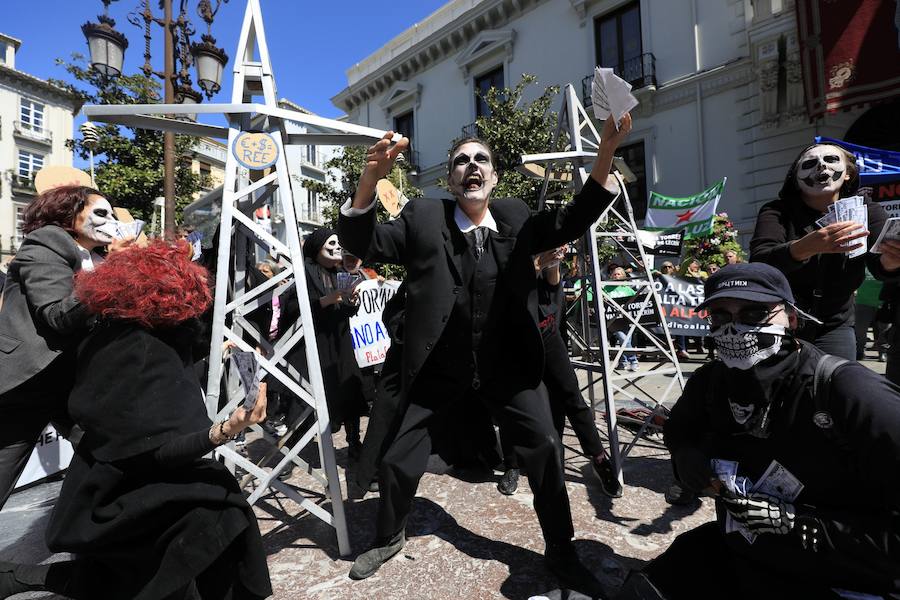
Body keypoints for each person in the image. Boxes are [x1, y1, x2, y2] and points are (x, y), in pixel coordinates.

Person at [339, 113, 631, 597]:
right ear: (449, 179)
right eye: (460, 161)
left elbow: (574, 218)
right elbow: (362, 242)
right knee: (398, 458)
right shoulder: (423, 217)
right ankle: (389, 536)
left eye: (481, 160)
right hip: (440, 368)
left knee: (545, 449)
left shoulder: (516, 217)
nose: (471, 166)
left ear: (494, 177)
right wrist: (369, 179)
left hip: (507, 368)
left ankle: (562, 549)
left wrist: (605, 152)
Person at [0, 242, 272, 599]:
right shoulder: (140, 351)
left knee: (156, 557)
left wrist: (213, 357)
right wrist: (227, 429)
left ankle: (22, 578)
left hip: (104, 487)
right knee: (216, 511)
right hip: (114, 502)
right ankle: (25, 578)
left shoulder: (118, 334)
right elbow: (153, 452)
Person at [617, 263, 900, 600]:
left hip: (840, 573)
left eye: (754, 313)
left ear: (792, 319)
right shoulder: (710, 383)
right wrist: (687, 458)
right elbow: (680, 430)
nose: (736, 330)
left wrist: (802, 525)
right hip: (746, 552)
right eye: (721, 316)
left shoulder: (848, 391)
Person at [0, 185, 133, 510]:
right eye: (101, 213)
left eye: (113, 214)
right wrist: (114, 269)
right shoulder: (46, 244)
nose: (111, 221)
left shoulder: (98, 258)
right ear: (69, 216)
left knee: (112, 456)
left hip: (74, 386)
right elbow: (59, 315)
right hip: (26, 384)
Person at [750, 142, 900, 360]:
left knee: (837, 386)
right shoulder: (776, 211)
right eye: (809, 163)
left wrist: (892, 260)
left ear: (848, 173)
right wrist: (803, 248)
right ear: (796, 178)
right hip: (781, 322)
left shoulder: (866, 209)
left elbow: (880, 264)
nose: (821, 165)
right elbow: (760, 262)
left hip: (835, 324)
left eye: (831, 160)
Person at [498, 247, 623, 498]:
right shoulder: (509, 255)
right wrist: (537, 263)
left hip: (548, 336)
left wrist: (552, 262)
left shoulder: (547, 253)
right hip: (516, 342)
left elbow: (553, 287)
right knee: (513, 403)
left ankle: (599, 459)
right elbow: (510, 289)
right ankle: (512, 465)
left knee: (573, 399)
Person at [279, 228, 368, 461]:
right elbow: (294, 307)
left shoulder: (342, 272)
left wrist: (351, 302)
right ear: (317, 248)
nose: (337, 247)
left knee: (349, 389)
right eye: (331, 243)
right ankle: (293, 449)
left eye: (339, 243)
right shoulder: (305, 272)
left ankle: (354, 443)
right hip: (315, 345)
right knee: (308, 395)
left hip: (340, 342)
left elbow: (347, 308)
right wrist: (331, 299)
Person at [605, 266, 639, 371]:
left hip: (627, 319)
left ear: (623, 276)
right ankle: (634, 361)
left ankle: (622, 362)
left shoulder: (628, 289)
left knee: (625, 341)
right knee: (624, 340)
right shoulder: (606, 288)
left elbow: (637, 300)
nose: (616, 276)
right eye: (614, 274)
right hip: (613, 320)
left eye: (619, 274)